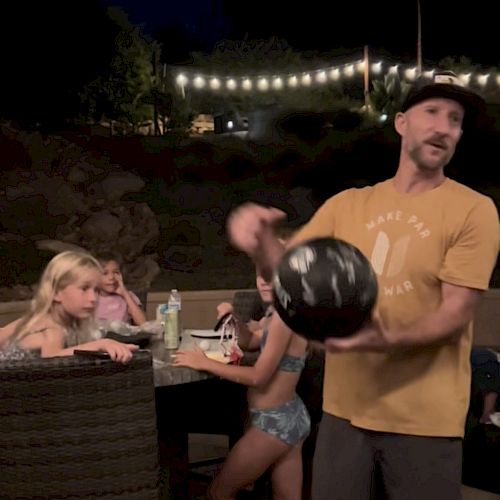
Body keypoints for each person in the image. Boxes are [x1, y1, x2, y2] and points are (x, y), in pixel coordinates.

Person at [226, 71, 500, 499]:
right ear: (402, 122)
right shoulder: (349, 204)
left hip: (424, 422)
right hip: (343, 416)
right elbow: (289, 270)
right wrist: (260, 242)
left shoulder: (474, 211)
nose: (443, 127)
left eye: (455, 119)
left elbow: (455, 313)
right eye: (432, 112)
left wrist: (376, 338)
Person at [173, 265, 310, 500]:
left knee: (218, 493)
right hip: (291, 417)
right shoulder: (279, 314)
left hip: (274, 424)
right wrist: (233, 317)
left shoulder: (282, 320)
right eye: (260, 274)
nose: (264, 281)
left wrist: (205, 363)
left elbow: (259, 376)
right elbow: (250, 341)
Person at [0, 251, 138, 363]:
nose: (93, 298)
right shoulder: (51, 325)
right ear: (56, 293)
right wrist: (99, 345)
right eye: (84, 288)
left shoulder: (52, 319)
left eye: (96, 290)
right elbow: (52, 361)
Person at [95, 252, 146, 326]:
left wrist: (125, 294)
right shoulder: (91, 297)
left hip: (122, 337)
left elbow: (143, 323)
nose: (111, 277)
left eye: (116, 272)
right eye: (105, 273)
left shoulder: (128, 296)